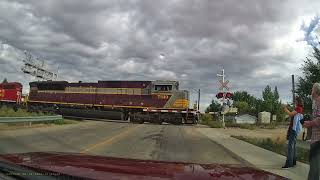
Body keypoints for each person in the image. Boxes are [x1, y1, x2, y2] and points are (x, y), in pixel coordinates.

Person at [302, 83, 320, 180]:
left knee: (314, 167)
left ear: (315, 91)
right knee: (314, 166)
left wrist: (309, 123)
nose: (311, 92)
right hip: (315, 139)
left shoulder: (319, 101)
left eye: (312, 90)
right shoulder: (316, 102)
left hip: (317, 140)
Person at [282, 97, 304, 169]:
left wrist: (285, 108)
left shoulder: (298, 108)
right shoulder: (299, 108)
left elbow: (291, 114)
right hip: (294, 129)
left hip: (293, 129)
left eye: (295, 101)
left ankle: (289, 164)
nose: (295, 102)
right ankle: (293, 162)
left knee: (290, 147)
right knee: (293, 146)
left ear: (298, 101)